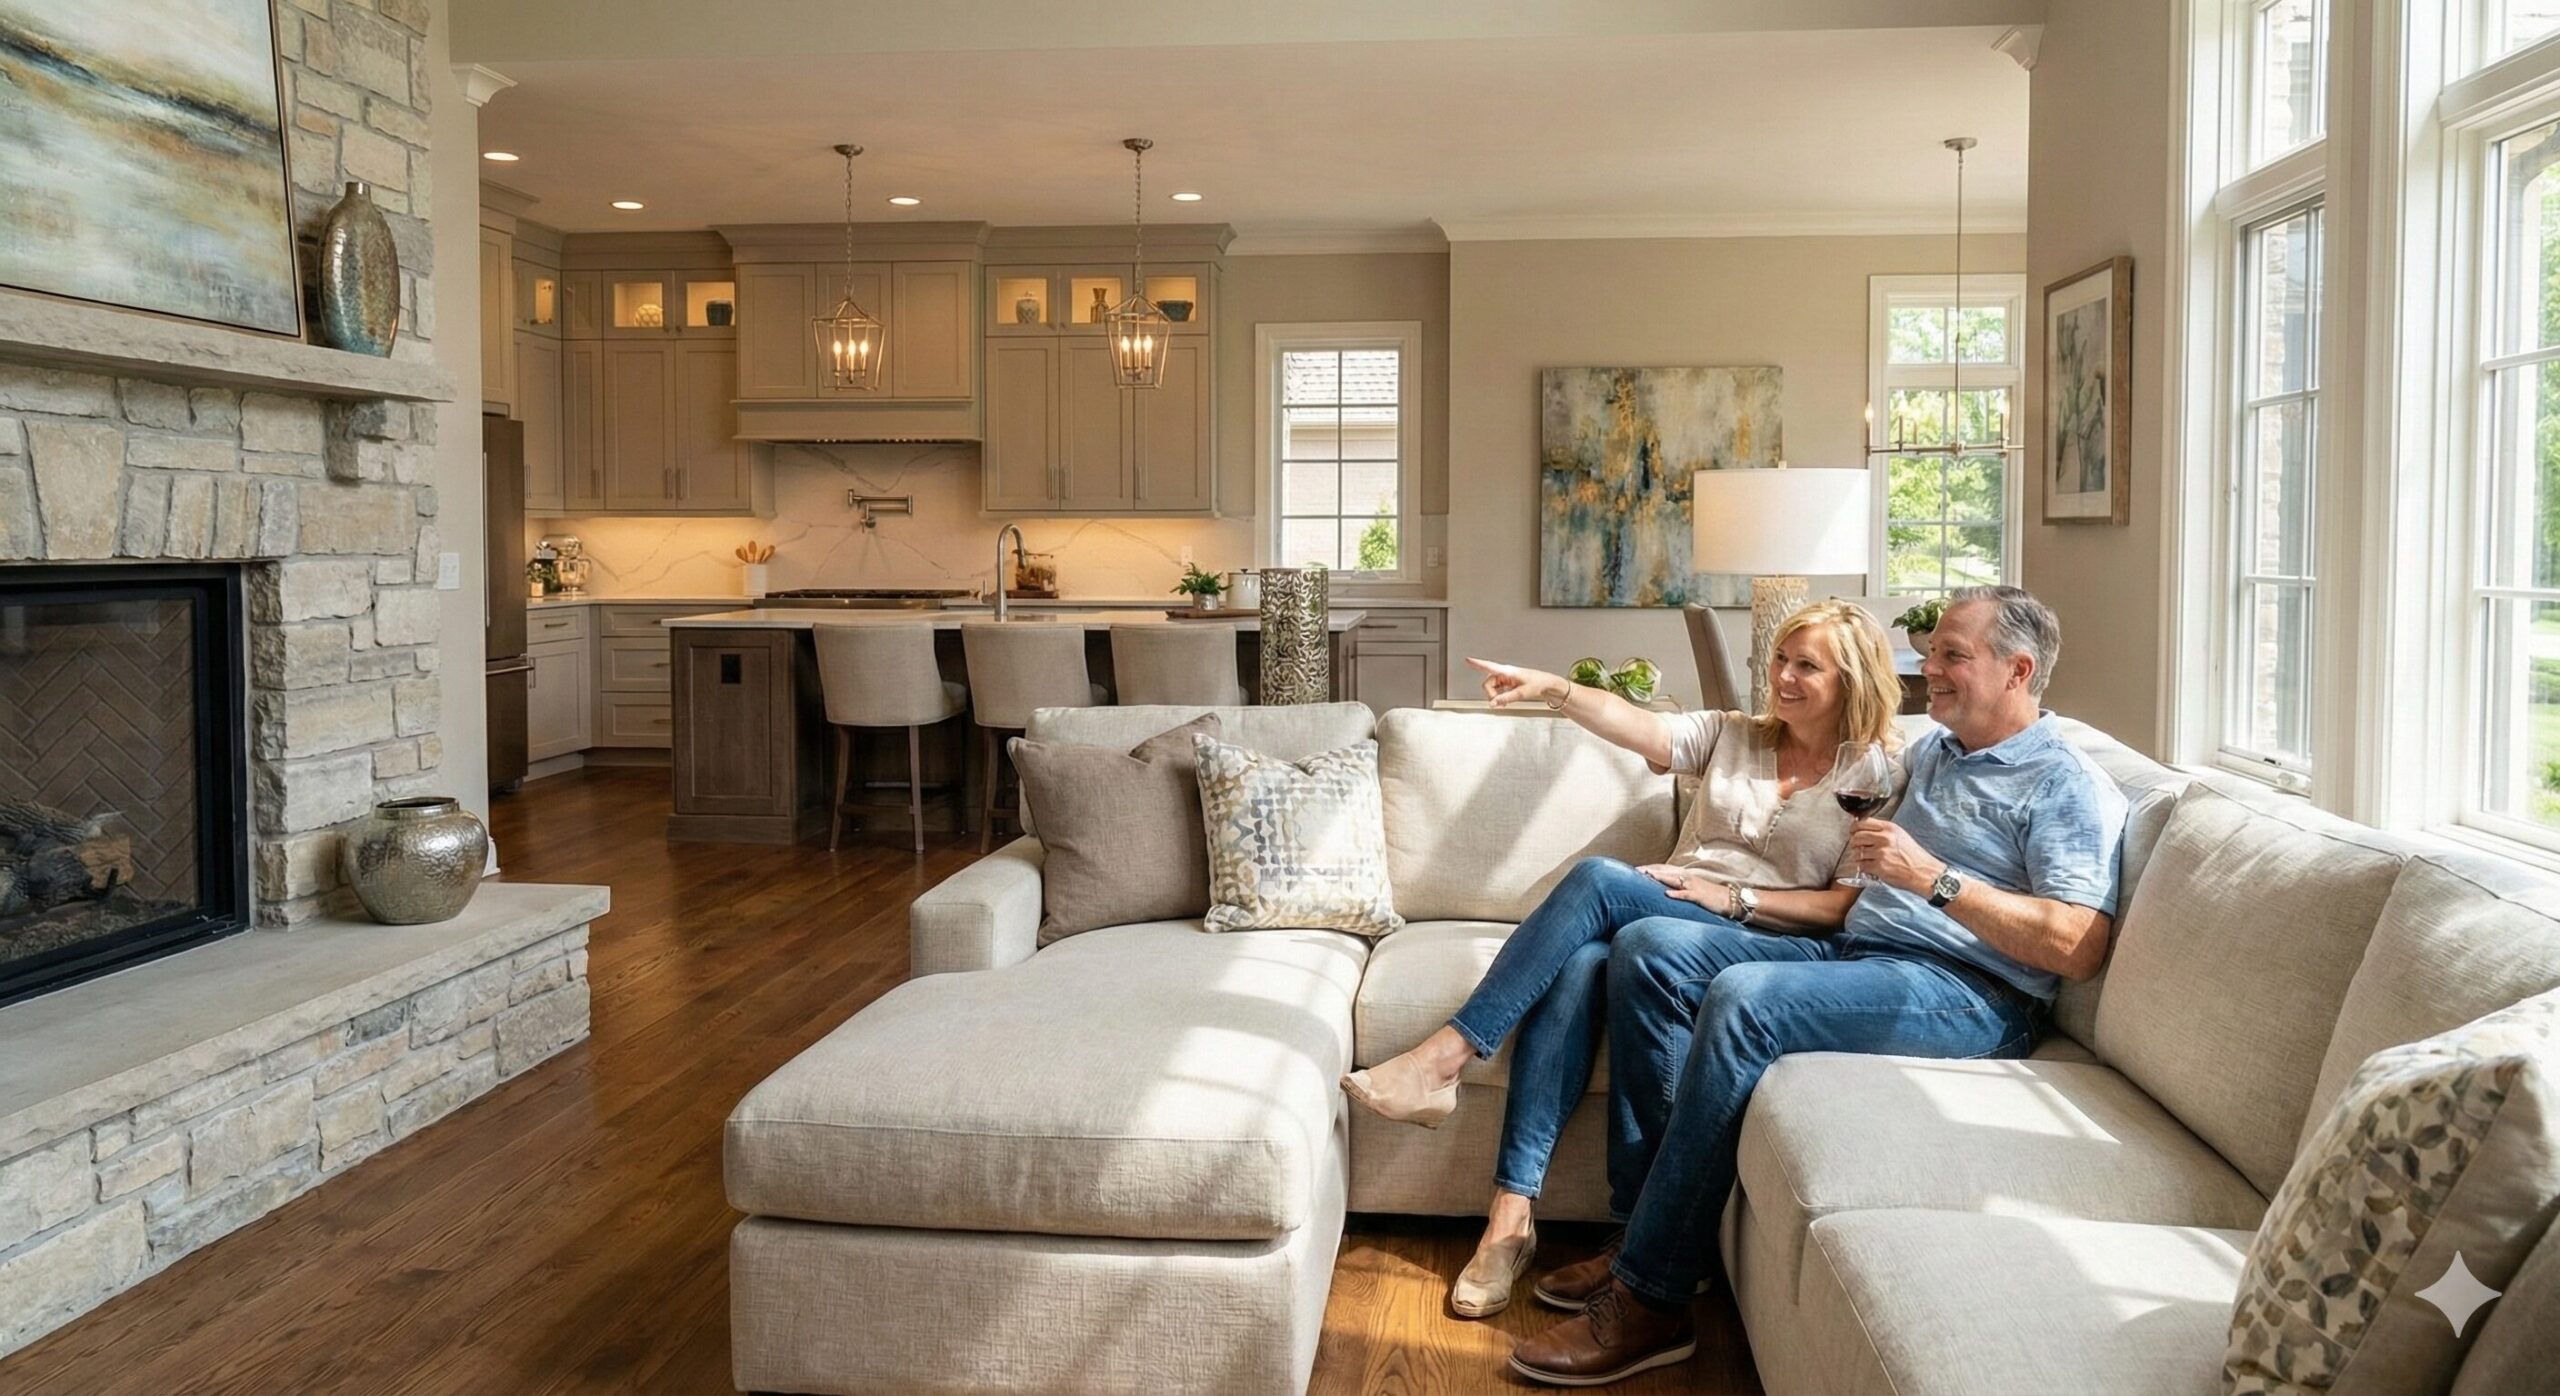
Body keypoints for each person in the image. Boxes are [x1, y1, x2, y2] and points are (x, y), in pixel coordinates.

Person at [1507, 585, 2129, 1387]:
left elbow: (2077, 946)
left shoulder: (2067, 784)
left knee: (1743, 1000)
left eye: (1950, 656)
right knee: (1653, 947)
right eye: (1931, 650)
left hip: (1972, 992)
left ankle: (1653, 1299)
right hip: (1861, 956)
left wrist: (1935, 879)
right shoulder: (1935, 750)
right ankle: (1640, 1234)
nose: (1927, 668)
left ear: (2018, 671)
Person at [1339, 600, 1907, 1320]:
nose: (1782, 677)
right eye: (1780, 661)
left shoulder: (1879, 774)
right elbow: (1636, 723)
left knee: (1601, 880)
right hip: (1675, 914)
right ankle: (1509, 1219)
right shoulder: (1735, 736)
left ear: (1852, 678)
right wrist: (1553, 688)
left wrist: (1727, 895)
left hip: (1774, 938)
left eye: (1806, 666)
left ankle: (1445, 1057)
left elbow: (1842, 909)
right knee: (1580, 970)